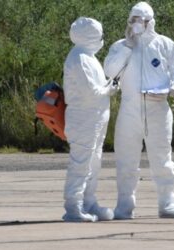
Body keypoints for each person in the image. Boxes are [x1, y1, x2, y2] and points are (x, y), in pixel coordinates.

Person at [104, 1, 174, 219]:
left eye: (142, 20)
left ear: (152, 21)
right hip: (130, 108)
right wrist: (128, 48)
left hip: (158, 107)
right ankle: (125, 205)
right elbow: (111, 72)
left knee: (162, 157)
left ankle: (167, 202)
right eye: (134, 20)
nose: (138, 24)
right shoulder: (121, 46)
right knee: (126, 158)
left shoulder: (165, 44)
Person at [62, 17, 118, 222]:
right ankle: (73, 207)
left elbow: (97, 87)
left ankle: (89, 202)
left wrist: (107, 87)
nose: (101, 39)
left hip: (96, 116)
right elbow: (90, 91)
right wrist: (108, 90)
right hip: (84, 117)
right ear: (89, 36)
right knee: (81, 163)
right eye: (98, 35)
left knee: (94, 162)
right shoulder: (79, 58)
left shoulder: (89, 56)